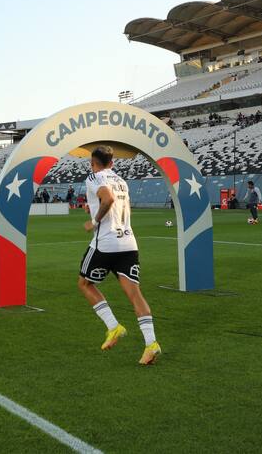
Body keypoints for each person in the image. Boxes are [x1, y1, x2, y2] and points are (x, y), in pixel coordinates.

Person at [77, 145, 160, 365]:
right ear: (112, 163)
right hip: (128, 243)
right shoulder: (121, 181)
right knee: (135, 294)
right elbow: (116, 204)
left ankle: (114, 327)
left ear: (93, 164)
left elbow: (108, 200)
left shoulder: (94, 177)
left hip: (106, 243)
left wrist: (93, 221)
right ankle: (151, 344)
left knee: (84, 284)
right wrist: (93, 208)